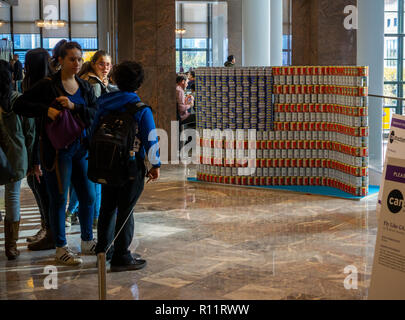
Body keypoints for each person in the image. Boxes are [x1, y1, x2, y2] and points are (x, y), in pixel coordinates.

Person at [13, 42, 98, 266]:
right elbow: (20, 104)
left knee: (87, 196)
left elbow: (93, 113)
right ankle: (60, 247)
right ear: (59, 60)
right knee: (59, 198)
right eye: (72, 59)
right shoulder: (48, 84)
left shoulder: (84, 86)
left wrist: (73, 107)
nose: (77, 63)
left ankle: (87, 240)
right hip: (57, 151)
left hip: (81, 148)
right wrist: (46, 110)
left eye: (79, 59)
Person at [93, 61, 161, 272]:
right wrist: (155, 164)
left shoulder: (103, 103)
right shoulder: (140, 109)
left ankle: (103, 252)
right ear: (139, 83)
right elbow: (151, 139)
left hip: (106, 164)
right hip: (130, 166)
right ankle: (122, 256)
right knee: (126, 210)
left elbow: (92, 131)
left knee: (107, 208)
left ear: (115, 79)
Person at [0, 60, 35, 260]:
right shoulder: (17, 100)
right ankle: (11, 246)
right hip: (15, 155)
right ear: (11, 77)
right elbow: (30, 132)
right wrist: (31, 160)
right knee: (12, 198)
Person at [21, 48, 55, 251]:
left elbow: (37, 128)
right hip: (42, 146)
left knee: (42, 188)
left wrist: (35, 161)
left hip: (43, 147)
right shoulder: (40, 85)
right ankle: (46, 228)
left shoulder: (43, 88)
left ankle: (49, 232)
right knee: (39, 187)